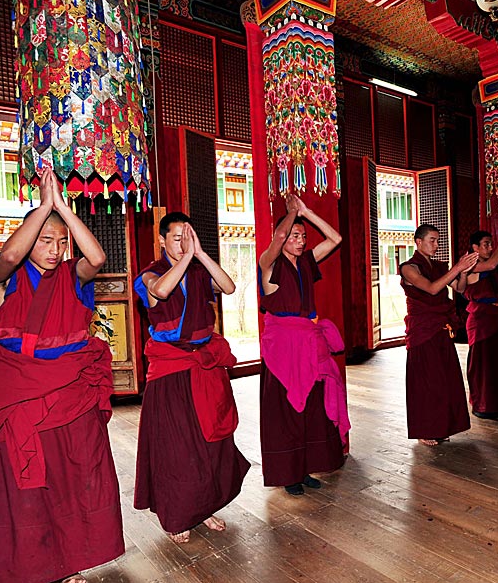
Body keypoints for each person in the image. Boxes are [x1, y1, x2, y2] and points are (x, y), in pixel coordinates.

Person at [0, 168, 122, 583]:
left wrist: (64, 211)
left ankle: (70, 562)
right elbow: (9, 256)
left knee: (72, 478)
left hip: (70, 389)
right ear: (30, 239)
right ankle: (42, 572)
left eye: (60, 242)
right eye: (45, 241)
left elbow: (99, 258)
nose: (54, 250)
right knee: (28, 483)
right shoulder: (2, 277)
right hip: (19, 391)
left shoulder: (75, 277)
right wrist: (43, 209)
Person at [133, 212, 250, 544]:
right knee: (178, 448)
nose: (183, 243)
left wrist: (199, 255)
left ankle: (203, 507)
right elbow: (163, 291)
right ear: (161, 240)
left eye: (188, 236)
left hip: (204, 365)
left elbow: (228, 286)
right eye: (176, 237)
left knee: (209, 444)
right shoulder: (150, 275)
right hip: (171, 369)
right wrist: (186, 258)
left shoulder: (199, 270)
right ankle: (177, 514)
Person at [258, 193, 349, 495]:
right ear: (281, 240)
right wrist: (290, 214)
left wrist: (306, 213)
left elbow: (335, 239)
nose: (300, 240)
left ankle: (306, 467)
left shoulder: (307, 262)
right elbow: (280, 233)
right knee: (285, 412)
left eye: (303, 236)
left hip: (308, 343)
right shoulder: (269, 263)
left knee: (311, 407)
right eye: (295, 236)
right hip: (282, 348)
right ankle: (289, 474)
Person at [399, 224, 479, 446]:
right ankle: (425, 429)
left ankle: (443, 425)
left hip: (441, 329)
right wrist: (456, 267)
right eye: (432, 240)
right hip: (422, 330)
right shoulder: (408, 268)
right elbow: (432, 289)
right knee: (426, 382)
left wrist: (462, 272)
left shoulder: (438, 266)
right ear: (418, 242)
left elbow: (460, 288)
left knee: (445, 380)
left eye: (437, 240)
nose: (436, 245)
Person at [463, 226, 498, 419]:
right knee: (483, 365)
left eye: (490, 244)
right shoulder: (470, 265)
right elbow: (491, 266)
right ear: (475, 247)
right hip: (482, 321)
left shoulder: (492, 264)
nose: (489, 248)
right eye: (486, 244)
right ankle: (483, 405)